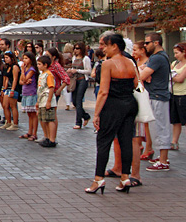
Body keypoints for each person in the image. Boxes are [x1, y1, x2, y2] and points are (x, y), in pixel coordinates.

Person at [86, 33, 137, 194]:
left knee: (104, 141)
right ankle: (125, 177)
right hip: (130, 103)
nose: (103, 48)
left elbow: (103, 92)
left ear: (115, 46)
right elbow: (137, 84)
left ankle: (98, 179)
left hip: (113, 105)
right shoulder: (130, 62)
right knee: (126, 141)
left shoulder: (108, 64)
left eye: (106, 45)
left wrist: (96, 114)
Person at [139, 32, 172, 171]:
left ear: (156, 43)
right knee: (157, 127)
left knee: (160, 127)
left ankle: (163, 160)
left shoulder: (158, 58)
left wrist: (145, 76)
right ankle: (162, 156)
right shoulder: (159, 57)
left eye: (147, 43)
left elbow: (142, 74)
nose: (145, 46)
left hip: (157, 95)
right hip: (157, 94)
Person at [170, 42, 186, 154]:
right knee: (175, 121)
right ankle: (174, 142)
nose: (175, 55)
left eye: (177, 53)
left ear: (184, 52)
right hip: (174, 94)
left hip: (183, 95)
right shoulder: (175, 63)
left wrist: (172, 76)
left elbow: (180, 78)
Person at [47, 47, 69, 143]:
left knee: (52, 115)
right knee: (48, 115)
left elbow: (66, 78)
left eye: (48, 56)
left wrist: (59, 89)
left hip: (54, 91)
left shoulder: (56, 66)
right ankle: (48, 135)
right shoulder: (48, 65)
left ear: (53, 56)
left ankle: (53, 137)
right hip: (46, 92)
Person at [68, 43, 91, 129]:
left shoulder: (86, 59)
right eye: (75, 48)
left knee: (78, 100)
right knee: (74, 101)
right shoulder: (74, 58)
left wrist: (77, 71)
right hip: (74, 80)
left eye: (77, 48)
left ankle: (78, 122)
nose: (76, 50)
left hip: (82, 80)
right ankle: (85, 116)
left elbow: (88, 71)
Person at [35, 55, 57, 148]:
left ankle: (52, 139)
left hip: (47, 99)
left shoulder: (49, 74)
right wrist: (38, 101)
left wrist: (48, 101)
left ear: (45, 65)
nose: (38, 66)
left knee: (50, 119)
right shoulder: (42, 74)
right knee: (44, 119)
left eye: (39, 64)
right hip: (42, 99)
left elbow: (51, 88)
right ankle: (47, 137)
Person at [19, 52, 39, 141]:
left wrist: (23, 71)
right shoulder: (26, 68)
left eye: (26, 58)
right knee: (29, 114)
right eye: (23, 58)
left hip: (31, 93)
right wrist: (24, 81)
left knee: (33, 114)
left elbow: (25, 78)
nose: (24, 60)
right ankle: (29, 131)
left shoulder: (31, 69)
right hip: (25, 92)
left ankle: (34, 133)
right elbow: (21, 81)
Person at [0, 51, 21, 131]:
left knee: (13, 106)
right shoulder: (7, 67)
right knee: (5, 105)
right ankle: (8, 121)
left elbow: (15, 79)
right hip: (7, 88)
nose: (5, 59)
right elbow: (6, 78)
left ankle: (15, 123)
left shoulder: (15, 67)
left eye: (7, 58)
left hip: (13, 88)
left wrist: (12, 89)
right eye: (5, 58)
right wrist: (3, 88)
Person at [61, 43, 74, 110]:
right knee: (71, 87)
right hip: (71, 73)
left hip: (64, 73)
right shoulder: (72, 56)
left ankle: (67, 103)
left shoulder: (63, 55)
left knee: (65, 89)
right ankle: (71, 103)